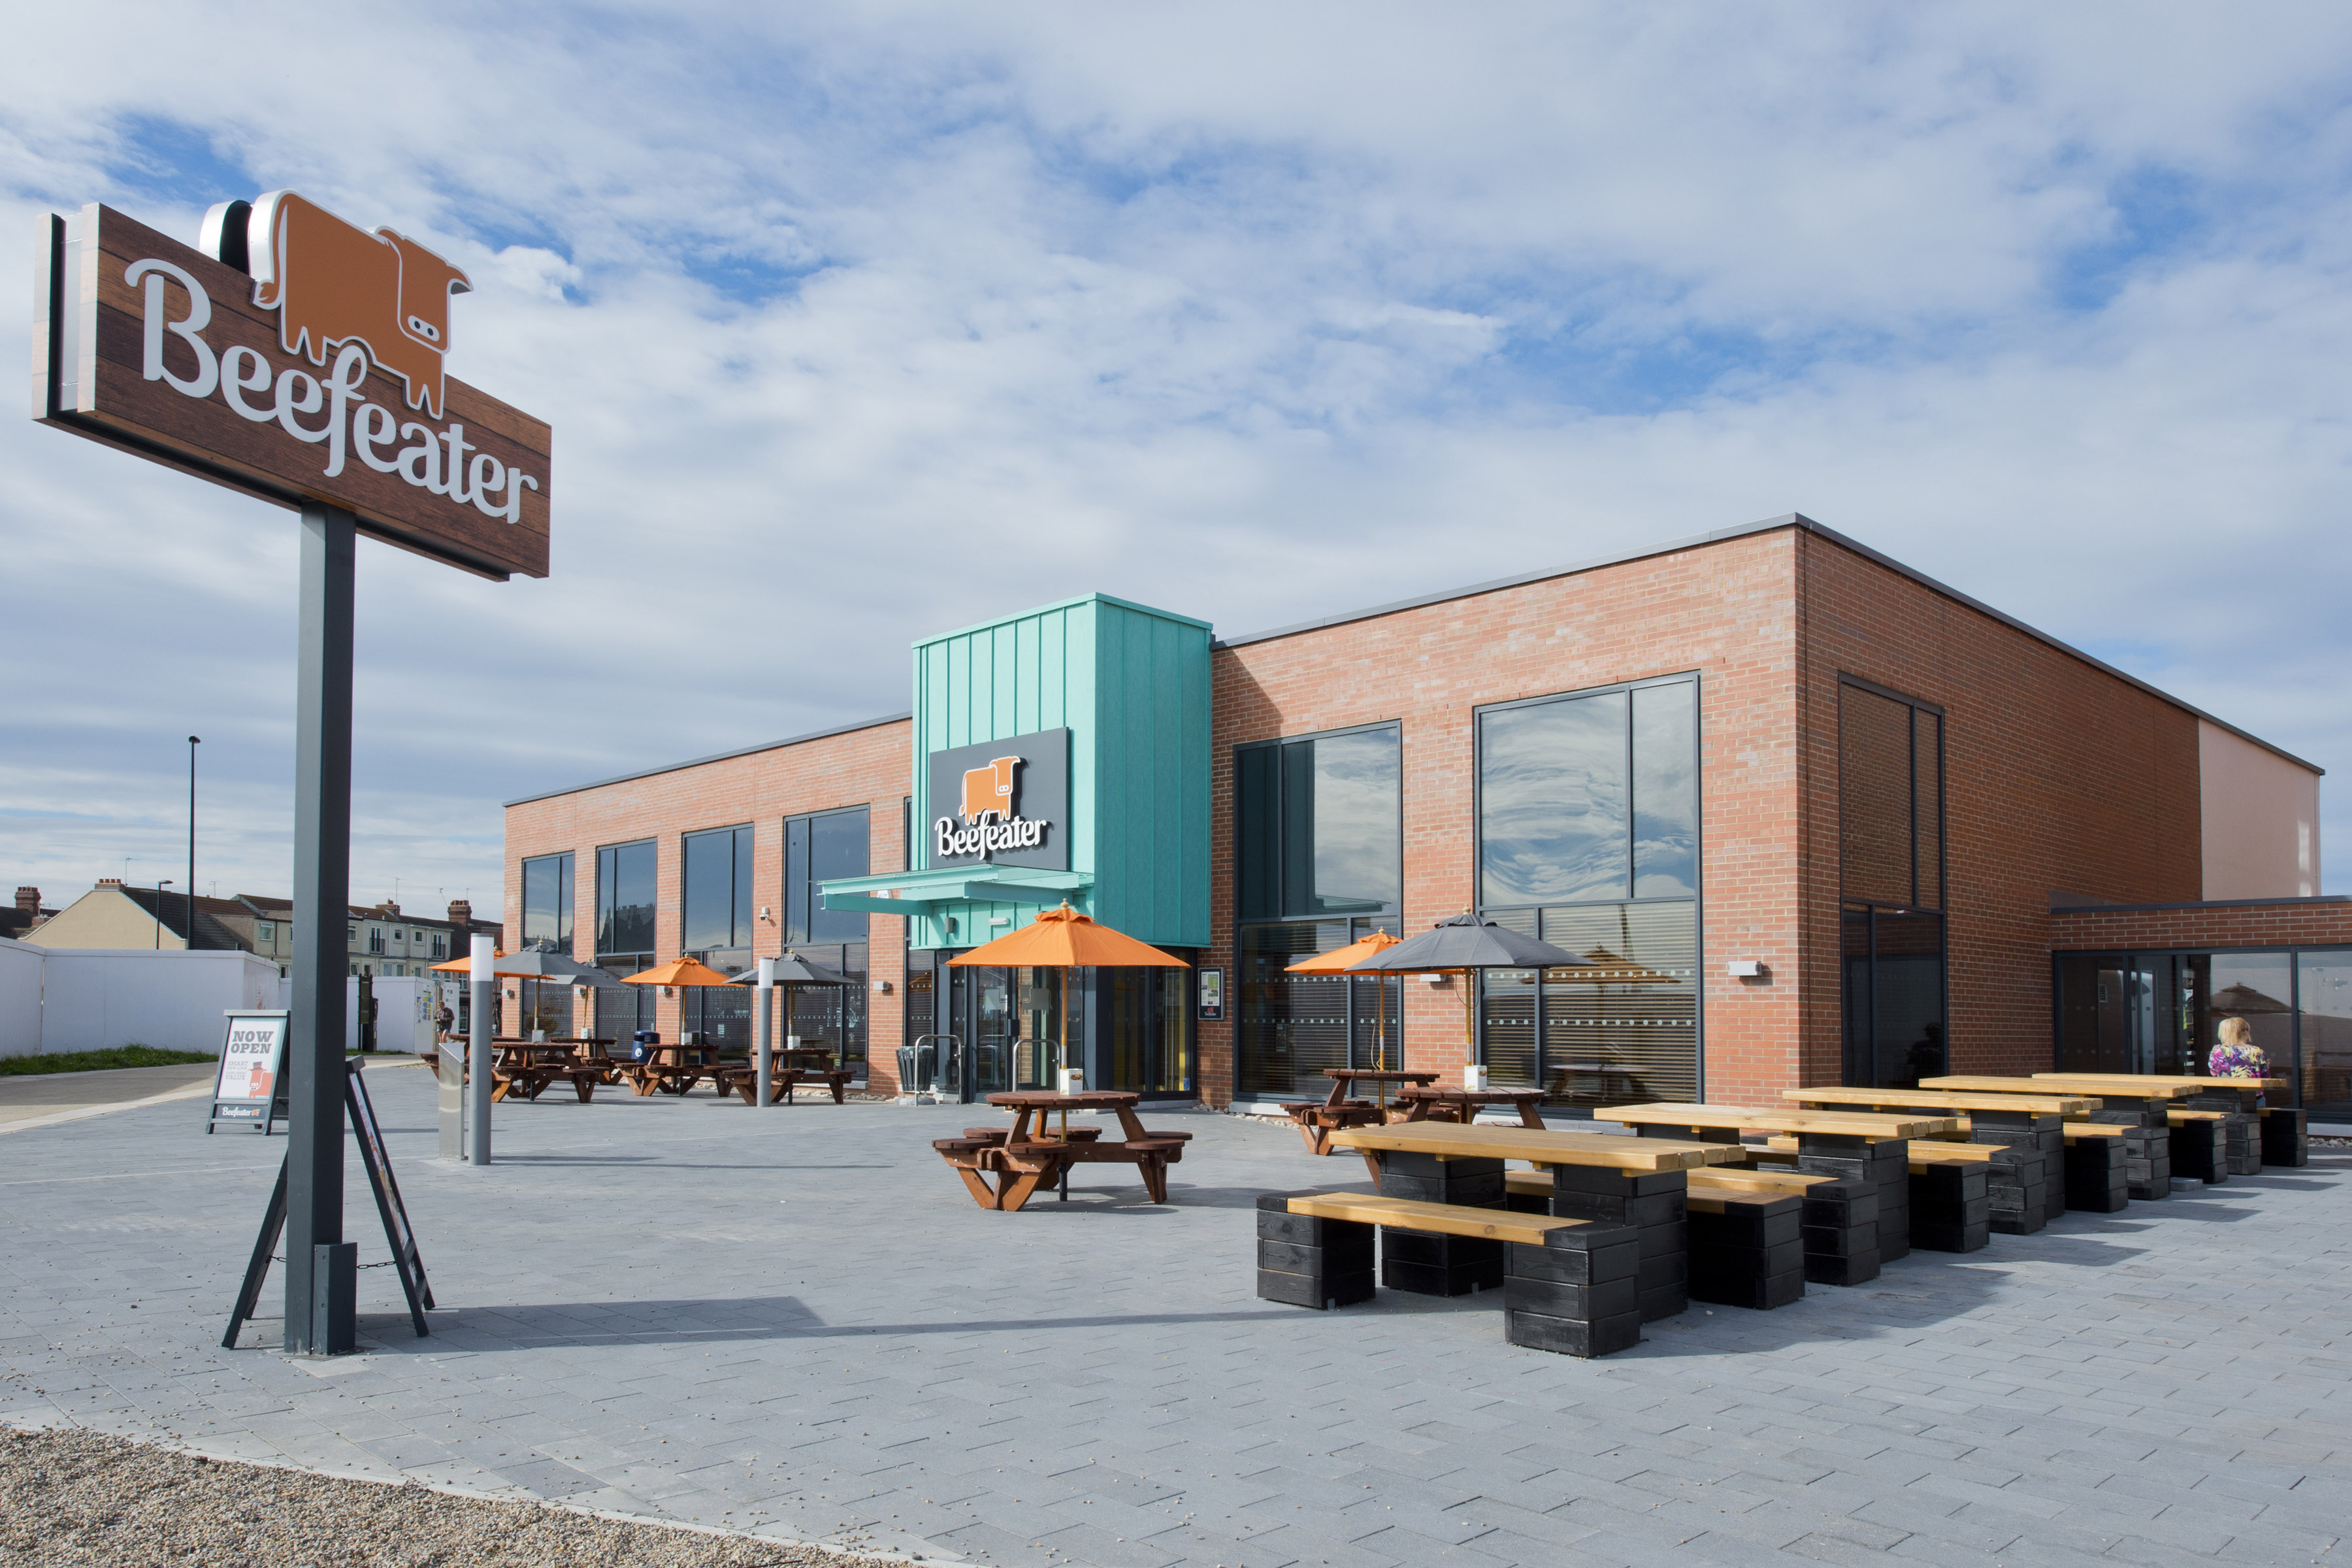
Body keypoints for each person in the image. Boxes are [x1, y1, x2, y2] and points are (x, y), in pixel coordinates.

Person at [2208, 1016, 2270, 1096]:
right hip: (2253, 1097)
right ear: (2245, 1032)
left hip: (2227, 1096)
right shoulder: (2256, 1051)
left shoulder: (2217, 1051)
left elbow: (2213, 1072)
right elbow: (2266, 1076)